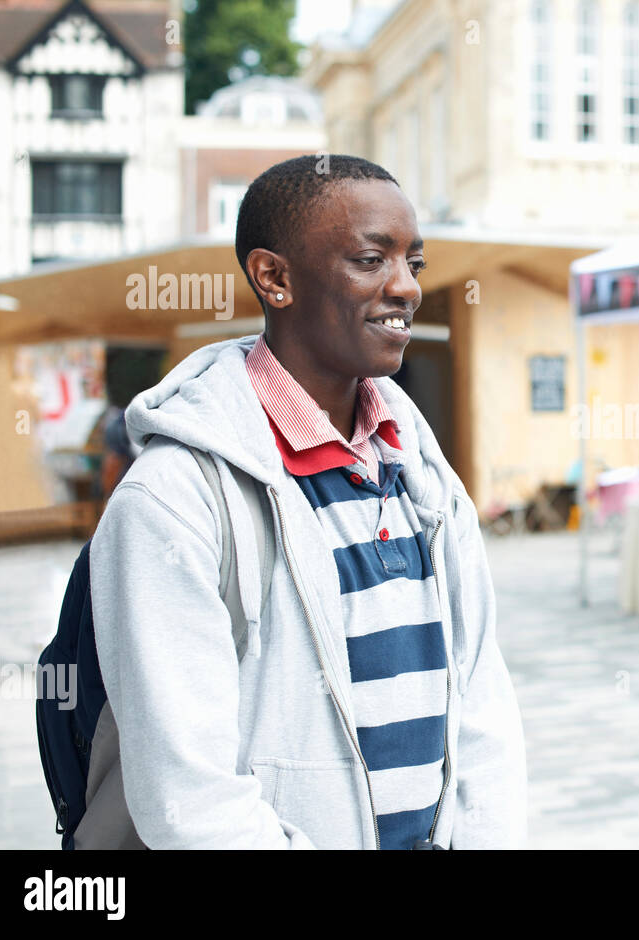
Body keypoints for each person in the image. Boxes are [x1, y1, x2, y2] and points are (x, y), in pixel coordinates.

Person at [88, 155, 526, 849]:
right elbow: (189, 798)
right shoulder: (172, 500)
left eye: (413, 261)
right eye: (369, 259)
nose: (406, 287)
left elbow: (484, 712)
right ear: (275, 277)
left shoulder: (424, 473)